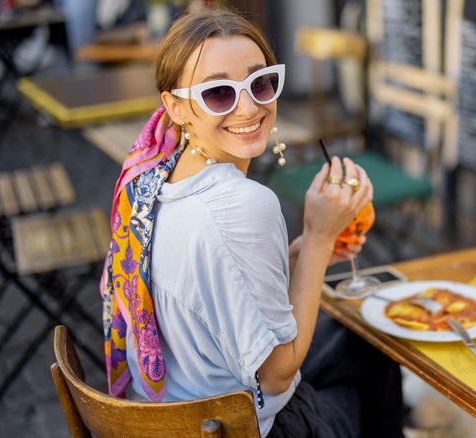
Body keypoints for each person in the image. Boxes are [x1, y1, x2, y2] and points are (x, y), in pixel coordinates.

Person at [99, 5, 404, 437]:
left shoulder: (150, 178)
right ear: (175, 106)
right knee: (377, 359)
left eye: (260, 83)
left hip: (176, 405)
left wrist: (298, 255)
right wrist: (318, 236)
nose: (248, 107)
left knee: (359, 345)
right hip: (244, 426)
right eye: (218, 92)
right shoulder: (243, 205)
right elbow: (276, 375)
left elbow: (223, 295)